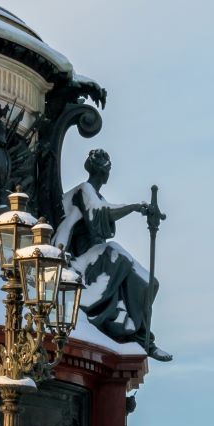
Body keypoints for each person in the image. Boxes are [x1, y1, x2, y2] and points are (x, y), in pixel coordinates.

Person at [63, 149, 166, 358]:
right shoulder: (85, 190)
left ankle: (144, 339)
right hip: (78, 261)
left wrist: (137, 208)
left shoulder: (96, 195)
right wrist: (134, 207)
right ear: (104, 172)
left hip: (96, 255)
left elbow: (104, 209)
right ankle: (139, 335)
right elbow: (100, 214)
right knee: (115, 251)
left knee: (150, 283)